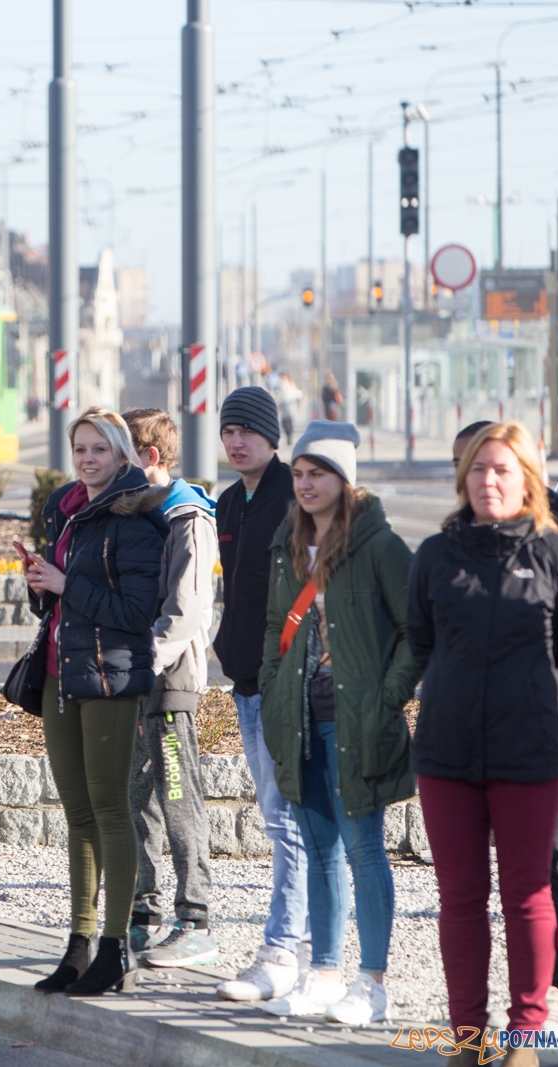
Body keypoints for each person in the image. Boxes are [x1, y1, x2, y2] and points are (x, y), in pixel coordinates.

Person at [410, 422, 558, 1060]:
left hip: (530, 755)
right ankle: (467, 1037)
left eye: (503, 470)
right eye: (479, 469)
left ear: (528, 481)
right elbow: (422, 643)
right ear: (464, 478)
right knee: (460, 901)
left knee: (528, 897)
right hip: (447, 755)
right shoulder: (436, 555)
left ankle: (524, 1038)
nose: (489, 480)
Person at [255, 421, 416, 1025]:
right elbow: (275, 625)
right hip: (299, 719)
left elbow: (417, 631)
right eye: (298, 473)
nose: (304, 484)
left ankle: (372, 984)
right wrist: (273, 688)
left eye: (317, 473)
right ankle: (323, 973)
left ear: (345, 479)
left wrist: (387, 696)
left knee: (364, 850)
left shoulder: (379, 545)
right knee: (318, 849)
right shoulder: (288, 542)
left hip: (356, 722)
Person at [27, 407, 168, 997]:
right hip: (61, 675)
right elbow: (66, 603)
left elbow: (136, 613)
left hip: (111, 679)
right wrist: (43, 586)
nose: (87, 459)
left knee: (110, 810)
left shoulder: (135, 518)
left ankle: (115, 948)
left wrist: (67, 585)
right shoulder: (69, 513)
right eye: (80, 449)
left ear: (123, 455)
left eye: (99, 449)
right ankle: (78, 947)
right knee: (77, 814)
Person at [210, 385, 312, 1004]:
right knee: (280, 819)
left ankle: (283, 951)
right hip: (244, 683)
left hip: (286, 686)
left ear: (272, 436)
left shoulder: (293, 497)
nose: (237, 441)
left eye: (247, 430)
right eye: (229, 431)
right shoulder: (228, 503)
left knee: (289, 820)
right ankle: (305, 949)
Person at [120, 409, 219, 968]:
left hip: (168, 678)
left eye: (120, 453)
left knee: (179, 800)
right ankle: (145, 914)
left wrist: (145, 664)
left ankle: (195, 920)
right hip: (134, 675)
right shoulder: (135, 510)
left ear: (149, 457)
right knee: (137, 800)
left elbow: (186, 610)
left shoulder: (187, 516)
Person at [276, 372, 305, 445]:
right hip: (285, 407)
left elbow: (292, 395)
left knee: (287, 422)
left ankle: (289, 436)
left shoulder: (289, 384)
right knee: (286, 422)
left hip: (288, 406)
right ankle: (289, 436)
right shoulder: (282, 384)